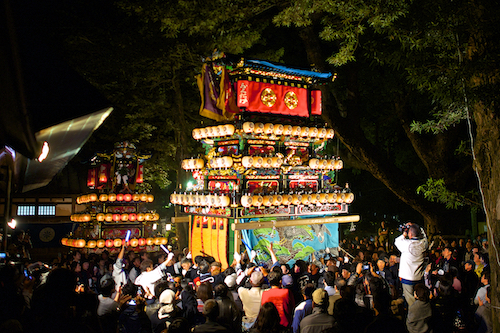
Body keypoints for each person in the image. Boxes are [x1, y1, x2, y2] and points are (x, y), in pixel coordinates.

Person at [394, 222, 428, 307]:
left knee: (411, 301)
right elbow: (425, 236)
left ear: (409, 233)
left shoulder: (405, 244)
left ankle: (414, 314)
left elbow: (397, 241)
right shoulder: (423, 244)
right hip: (418, 277)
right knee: (419, 297)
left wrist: (404, 233)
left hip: (407, 278)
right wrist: (416, 226)